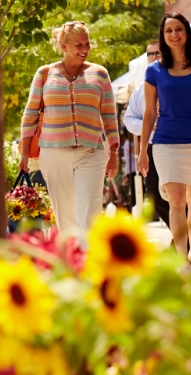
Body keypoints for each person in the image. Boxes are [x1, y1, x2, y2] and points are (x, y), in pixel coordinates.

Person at [19, 20, 120, 236]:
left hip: (91, 151)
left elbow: (109, 116)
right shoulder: (44, 74)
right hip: (54, 153)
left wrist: (113, 151)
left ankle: (88, 264)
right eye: (79, 45)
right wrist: (24, 155)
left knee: (90, 214)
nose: (85, 49)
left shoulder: (100, 74)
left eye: (87, 44)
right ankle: (72, 263)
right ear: (64, 47)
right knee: (65, 217)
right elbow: (30, 115)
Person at [137, 13, 191, 264]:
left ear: (187, 33)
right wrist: (142, 150)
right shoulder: (154, 71)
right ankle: (182, 258)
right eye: (169, 31)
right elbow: (150, 112)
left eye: (179, 29)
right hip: (166, 143)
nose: (174, 35)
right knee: (176, 201)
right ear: (163, 36)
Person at [123, 40, 173, 228]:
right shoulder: (140, 91)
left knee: (180, 194)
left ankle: (184, 239)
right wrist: (147, 124)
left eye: (158, 53)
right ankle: (179, 233)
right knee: (154, 195)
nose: (154, 57)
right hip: (153, 148)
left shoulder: (179, 81)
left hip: (178, 145)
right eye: (150, 54)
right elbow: (128, 120)